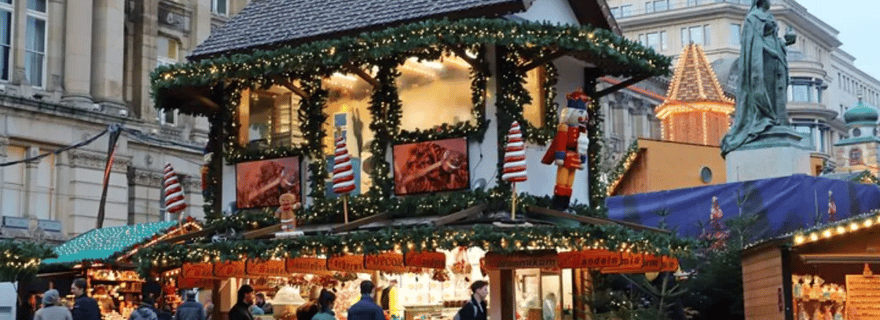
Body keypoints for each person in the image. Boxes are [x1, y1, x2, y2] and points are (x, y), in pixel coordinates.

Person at [720, 0, 797, 157]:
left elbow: (773, 39)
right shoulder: (753, 17)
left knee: (778, 91)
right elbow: (754, 42)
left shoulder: (768, 16)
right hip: (763, 61)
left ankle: (777, 120)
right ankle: (766, 119)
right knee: (764, 90)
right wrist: (771, 51)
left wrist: (786, 42)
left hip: (776, 59)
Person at [541, 89, 590, 210]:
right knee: (562, 181)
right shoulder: (564, 128)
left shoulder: (582, 131)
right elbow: (561, 142)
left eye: (583, 113)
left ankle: (565, 204)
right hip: (566, 156)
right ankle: (558, 204)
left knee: (569, 182)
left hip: (575, 158)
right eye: (580, 112)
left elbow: (583, 147)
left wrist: (582, 158)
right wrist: (560, 156)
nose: (582, 116)